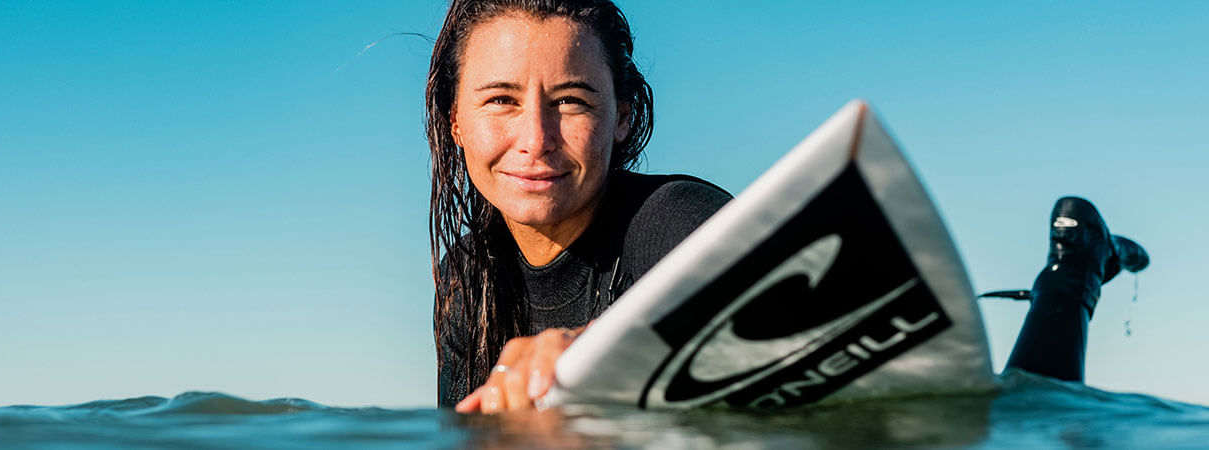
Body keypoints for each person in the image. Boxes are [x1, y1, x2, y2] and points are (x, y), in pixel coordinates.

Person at [424, 0, 1148, 414]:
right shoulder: (467, 280)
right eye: (501, 102)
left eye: (574, 101)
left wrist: (592, 362)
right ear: (456, 122)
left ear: (620, 117)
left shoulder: (673, 220)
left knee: (1037, 427)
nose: (537, 139)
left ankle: (1075, 271)